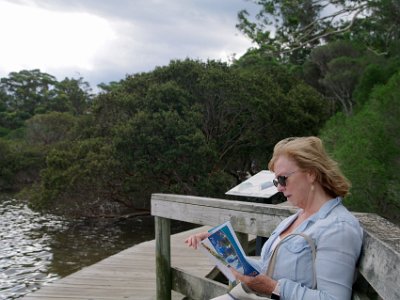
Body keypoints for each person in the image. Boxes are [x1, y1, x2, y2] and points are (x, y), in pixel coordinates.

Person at [185, 136, 363, 300]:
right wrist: (221, 248)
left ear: (311, 174)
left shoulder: (338, 227)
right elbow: (267, 271)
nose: (279, 188)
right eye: (276, 181)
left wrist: (273, 288)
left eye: (283, 179)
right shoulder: (294, 219)